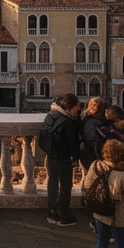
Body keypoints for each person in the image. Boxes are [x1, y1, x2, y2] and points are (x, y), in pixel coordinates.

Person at [41, 92, 81, 227]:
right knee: (65, 186)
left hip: (51, 156)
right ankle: (63, 215)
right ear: (70, 107)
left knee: (52, 184)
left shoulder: (50, 116)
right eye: (76, 107)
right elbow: (73, 144)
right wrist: (75, 157)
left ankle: (51, 213)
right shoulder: (67, 122)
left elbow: (42, 138)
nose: (78, 110)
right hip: (63, 158)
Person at [80, 96, 108, 172]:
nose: (94, 108)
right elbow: (94, 141)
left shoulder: (103, 121)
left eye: (96, 106)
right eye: (93, 106)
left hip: (89, 155)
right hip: (92, 156)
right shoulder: (90, 123)